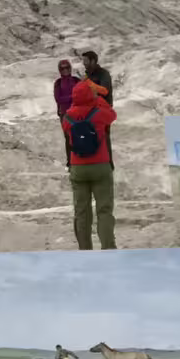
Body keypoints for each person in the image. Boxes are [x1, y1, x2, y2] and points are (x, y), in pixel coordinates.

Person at [60, 74, 117, 250]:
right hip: (100, 166)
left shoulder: (67, 119)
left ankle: (85, 250)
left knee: (81, 212)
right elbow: (112, 114)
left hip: (78, 168)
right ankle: (108, 248)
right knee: (104, 210)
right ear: (90, 95)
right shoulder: (99, 114)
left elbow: (69, 128)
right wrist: (98, 98)